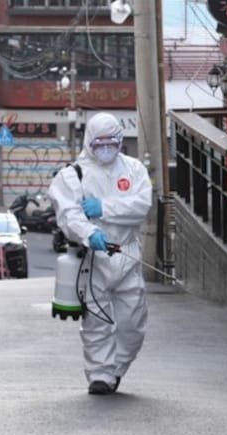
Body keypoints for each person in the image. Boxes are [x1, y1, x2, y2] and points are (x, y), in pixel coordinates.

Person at [48, 112, 153, 395]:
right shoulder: (72, 175)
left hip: (127, 253)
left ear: (120, 140)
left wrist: (104, 208)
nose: (105, 148)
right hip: (93, 258)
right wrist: (88, 233)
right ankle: (100, 375)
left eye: (112, 142)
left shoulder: (133, 170)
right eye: (99, 143)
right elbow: (68, 214)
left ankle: (117, 368)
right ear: (88, 142)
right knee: (96, 321)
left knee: (133, 322)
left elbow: (141, 206)